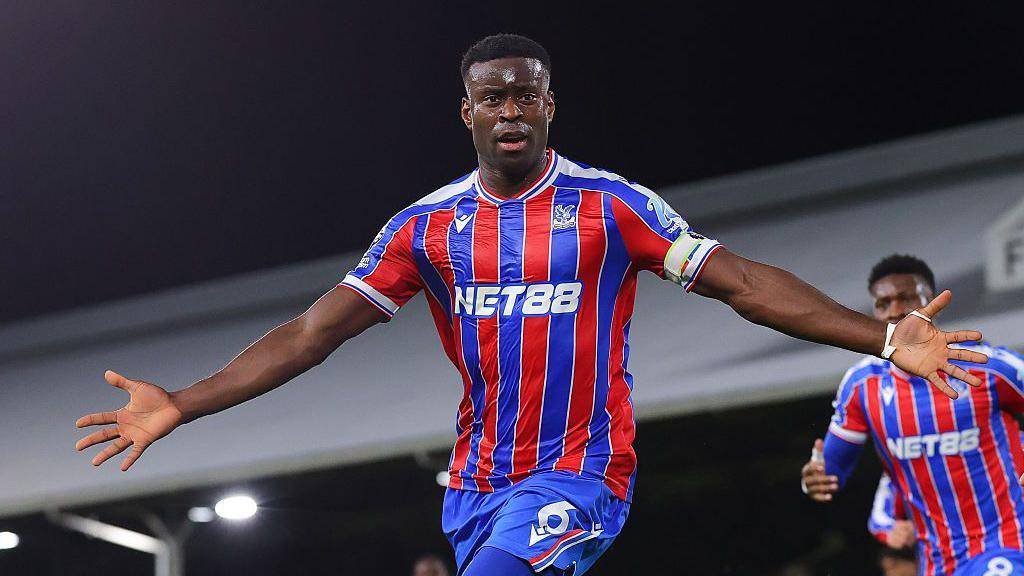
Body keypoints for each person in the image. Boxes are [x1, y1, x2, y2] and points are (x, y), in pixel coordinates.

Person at [76, 36, 986, 576]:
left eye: (525, 95)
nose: (509, 109)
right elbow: (312, 335)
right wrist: (183, 403)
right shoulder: (426, 229)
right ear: (466, 113)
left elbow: (742, 284)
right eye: (491, 97)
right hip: (475, 486)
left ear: (550, 105)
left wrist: (880, 338)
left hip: (583, 474)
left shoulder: (612, 207)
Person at [801, 254, 1024, 575]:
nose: (895, 310)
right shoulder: (863, 385)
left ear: (932, 303)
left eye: (906, 298)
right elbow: (831, 471)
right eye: (883, 303)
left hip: (1008, 542)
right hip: (937, 561)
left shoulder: (988, 367)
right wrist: (814, 480)